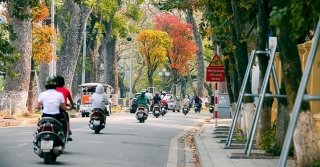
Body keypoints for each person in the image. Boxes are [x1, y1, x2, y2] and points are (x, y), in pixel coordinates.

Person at [56, 76, 75, 141]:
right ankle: (68, 135)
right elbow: (71, 101)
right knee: (66, 117)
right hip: (61, 110)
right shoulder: (66, 91)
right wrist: (72, 106)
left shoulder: (53, 90)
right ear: (63, 83)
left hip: (52, 110)